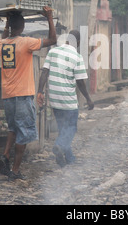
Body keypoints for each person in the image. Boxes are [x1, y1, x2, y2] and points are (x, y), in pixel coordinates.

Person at [0, 6, 56, 181]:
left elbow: (4, 36)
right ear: (22, 27)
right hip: (23, 94)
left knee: (13, 128)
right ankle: (15, 170)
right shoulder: (26, 42)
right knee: (24, 131)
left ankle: (5, 155)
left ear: (10, 27)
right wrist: (50, 17)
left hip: (8, 95)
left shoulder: (2, 44)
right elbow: (52, 40)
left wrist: (7, 23)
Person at [37, 30, 94, 167]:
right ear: (78, 42)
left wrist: (40, 91)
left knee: (63, 128)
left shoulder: (53, 52)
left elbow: (44, 72)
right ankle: (59, 146)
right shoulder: (77, 57)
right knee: (71, 129)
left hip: (54, 99)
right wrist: (88, 99)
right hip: (68, 100)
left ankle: (68, 159)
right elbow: (80, 82)